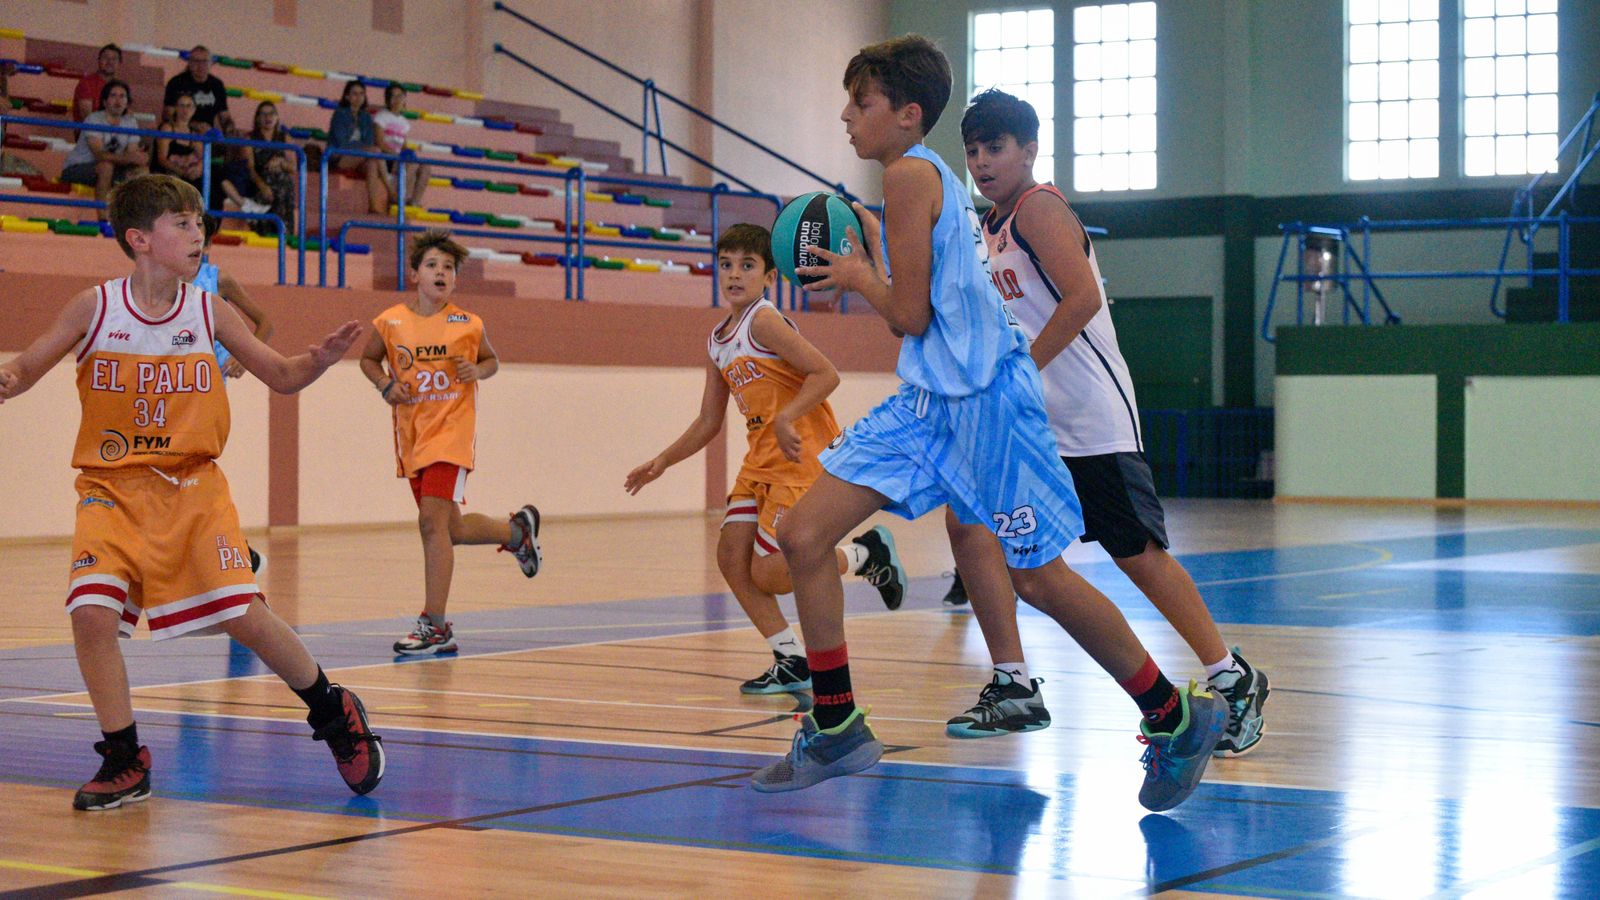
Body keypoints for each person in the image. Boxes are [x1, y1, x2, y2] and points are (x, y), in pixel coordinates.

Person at [748, 36, 1225, 813]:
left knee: (1038, 577)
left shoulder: (911, 176)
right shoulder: (924, 181)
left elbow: (908, 314)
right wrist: (874, 261)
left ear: (908, 114)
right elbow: (921, 310)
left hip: (988, 404)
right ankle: (835, 725)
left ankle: (1175, 717)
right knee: (803, 534)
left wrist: (862, 275)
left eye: (861, 103)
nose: (846, 116)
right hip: (933, 401)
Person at [0, 174, 381, 810]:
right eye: (182, 222)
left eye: (199, 221)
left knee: (243, 617)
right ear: (140, 239)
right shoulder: (94, 308)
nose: (198, 232)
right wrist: (8, 379)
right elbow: (26, 366)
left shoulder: (208, 310)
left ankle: (332, 709)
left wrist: (316, 361)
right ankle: (125, 758)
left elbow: (281, 375)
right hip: (111, 487)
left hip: (193, 486)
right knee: (90, 614)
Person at [941, 89, 1271, 755]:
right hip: (1030, 422)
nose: (981, 162)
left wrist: (1022, 368)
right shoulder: (988, 226)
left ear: (1029, 149)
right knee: (970, 523)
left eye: (995, 148)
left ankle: (1231, 677)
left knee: (1136, 555)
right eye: (972, 151)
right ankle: (1012, 682)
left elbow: (1083, 298)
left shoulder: (1039, 209)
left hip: (1089, 416)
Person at [624, 224, 907, 695]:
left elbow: (826, 373)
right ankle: (790, 658)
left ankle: (865, 554)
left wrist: (788, 416)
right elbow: (708, 420)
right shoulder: (718, 339)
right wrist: (663, 461)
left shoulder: (764, 322)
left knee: (772, 572)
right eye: (726, 265)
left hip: (801, 456)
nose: (735, 274)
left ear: (770, 277)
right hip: (760, 463)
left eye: (747, 265)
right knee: (731, 558)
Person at [358, 230, 544, 655]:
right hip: (413, 436)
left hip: (451, 434)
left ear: (455, 279)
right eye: (432, 265)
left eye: (448, 267)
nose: (440, 272)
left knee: (430, 524)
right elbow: (368, 359)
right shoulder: (390, 322)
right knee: (449, 529)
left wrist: (478, 371)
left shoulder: (468, 324)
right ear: (415, 274)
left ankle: (436, 626)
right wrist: (385, 384)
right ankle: (517, 532)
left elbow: (491, 360)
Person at [59, 80, 147, 219]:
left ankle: (135, 218)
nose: (118, 100)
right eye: (113, 95)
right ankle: (103, 219)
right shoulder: (93, 119)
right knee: (106, 167)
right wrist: (130, 157)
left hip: (112, 167)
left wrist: (138, 158)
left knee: (141, 171)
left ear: (127, 102)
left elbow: (132, 154)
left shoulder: (130, 122)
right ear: (105, 101)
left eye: (122, 96)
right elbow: (100, 155)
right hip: (77, 169)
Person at [327, 81, 388, 215]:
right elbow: (341, 144)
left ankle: (372, 206)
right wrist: (362, 148)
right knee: (375, 151)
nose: (358, 97)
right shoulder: (340, 114)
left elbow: (370, 142)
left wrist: (363, 149)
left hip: (360, 157)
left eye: (361, 94)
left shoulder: (366, 117)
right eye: (354, 94)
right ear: (347, 97)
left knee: (372, 163)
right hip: (339, 157)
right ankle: (391, 190)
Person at [371, 84, 432, 211]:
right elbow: (380, 143)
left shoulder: (404, 122)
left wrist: (409, 153)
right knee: (412, 164)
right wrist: (398, 155)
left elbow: (403, 145)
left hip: (398, 158)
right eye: (393, 96)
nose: (397, 99)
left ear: (404, 99)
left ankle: (414, 202)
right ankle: (397, 196)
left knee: (425, 167)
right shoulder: (381, 116)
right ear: (388, 99)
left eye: (400, 96)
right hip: (386, 158)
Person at [162, 46, 232, 133]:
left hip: (207, 134)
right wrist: (193, 125)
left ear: (211, 63)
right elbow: (168, 115)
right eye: (196, 61)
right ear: (189, 63)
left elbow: (225, 116)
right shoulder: (176, 83)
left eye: (205, 61)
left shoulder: (217, 85)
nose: (200, 65)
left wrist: (230, 128)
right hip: (181, 133)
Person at [152, 93, 205, 191]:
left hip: (188, 174)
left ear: (194, 109)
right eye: (182, 105)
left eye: (189, 106)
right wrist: (181, 172)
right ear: (176, 108)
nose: (185, 109)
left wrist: (198, 168)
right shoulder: (167, 128)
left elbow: (203, 157)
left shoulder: (195, 134)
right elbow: (162, 159)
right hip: (168, 172)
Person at [72, 44, 121, 123]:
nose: (110, 62)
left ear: (119, 63)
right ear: (98, 60)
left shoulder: (119, 86)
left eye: (114, 59)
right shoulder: (86, 83)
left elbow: (125, 112)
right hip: (90, 130)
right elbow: (88, 119)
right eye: (105, 57)